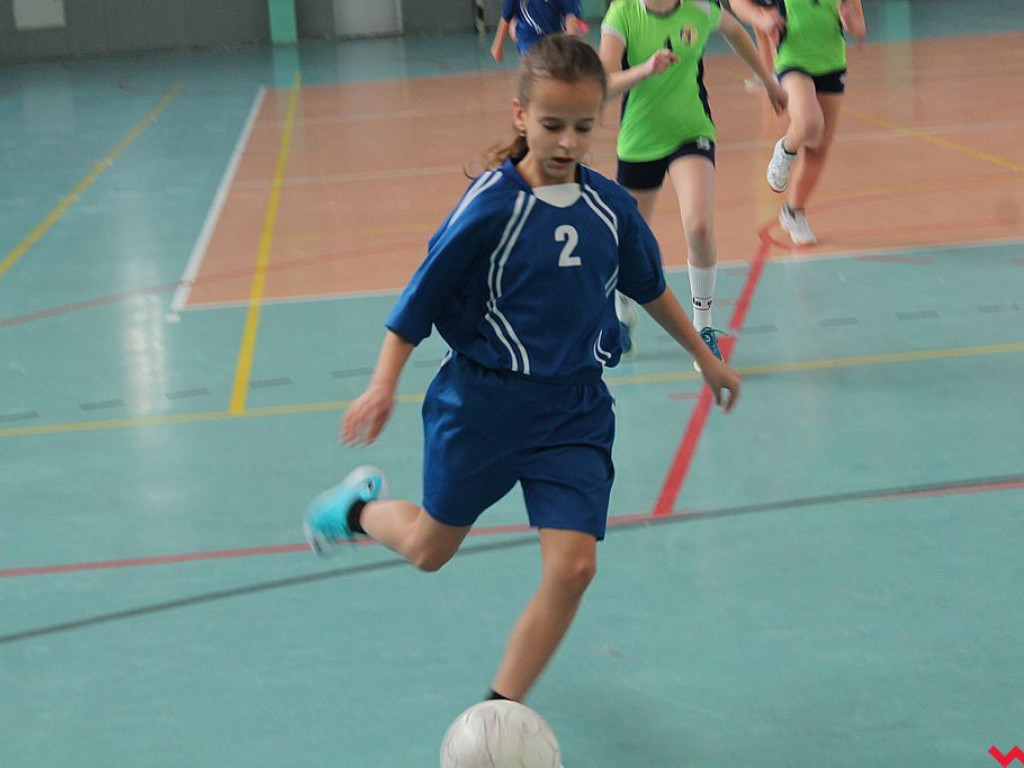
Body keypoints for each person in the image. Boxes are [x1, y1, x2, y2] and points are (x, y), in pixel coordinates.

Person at [304, 35, 741, 704]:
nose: (567, 141)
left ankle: (499, 710)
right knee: (428, 549)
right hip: (482, 406)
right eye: (552, 125)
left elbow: (649, 286)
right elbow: (417, 301)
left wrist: (706, 358)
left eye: (583, 127)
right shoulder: (490, 207)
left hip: (574, 411)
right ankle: (355, 511)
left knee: (574, 568)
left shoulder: (610, 209)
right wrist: (382, 384)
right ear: (519, 116)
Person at [599, 0, 787, 363]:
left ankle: (703, 330)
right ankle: (622, 308)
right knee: (627, 241)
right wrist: (644, 69)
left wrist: (768, 80)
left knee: (699, 226)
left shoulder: (698, 7)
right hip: (640, 139)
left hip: (692, 131)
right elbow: (604, 83)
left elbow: (734, 31)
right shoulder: (623, 13)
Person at [730, 0, 866, 245]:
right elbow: (738, 3)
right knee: (809, 124)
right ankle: (785, 148)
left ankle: (794, 211)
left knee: (819, 148)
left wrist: (850, 21)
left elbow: (859, 26)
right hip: (792, 59)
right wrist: (759, 18)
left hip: (832, 61)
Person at [491, 0, 584, 63]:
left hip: (557, 34)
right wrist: (497, 46)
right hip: (529, 34)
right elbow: (506, 16)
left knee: (558, 68)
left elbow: (570, 18)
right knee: (535, 65)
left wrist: (571, 46)